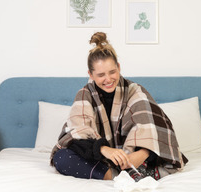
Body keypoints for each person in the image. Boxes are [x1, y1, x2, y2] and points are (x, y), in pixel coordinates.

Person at [50, 32, 188, 181]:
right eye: (101, 75)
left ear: (119, 67)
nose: (108, 79)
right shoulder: (84, 95)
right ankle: (119, 175)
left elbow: (154, 128)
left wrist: (142, 154)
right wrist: (104, 149)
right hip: (102, 157)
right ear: (91, 74)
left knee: (156, 154)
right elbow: (76, 135)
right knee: (62, 158)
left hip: (133, 157)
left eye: (112, 72)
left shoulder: (135, 90)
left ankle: (133, 169)